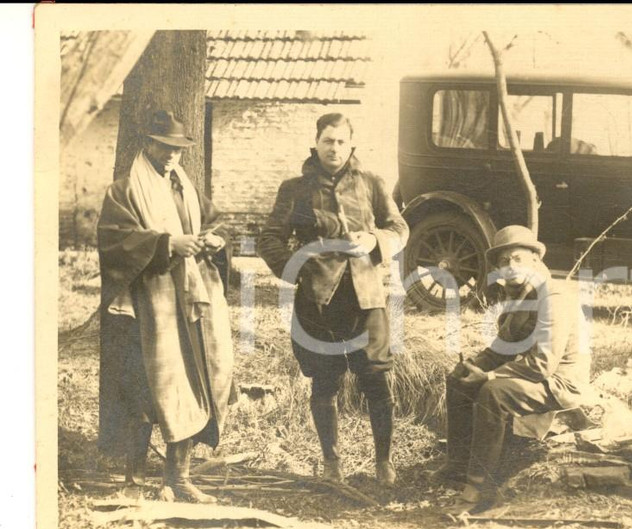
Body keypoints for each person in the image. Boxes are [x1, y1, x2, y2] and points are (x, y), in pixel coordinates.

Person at [258, 113, 409, 487]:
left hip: (366, 296)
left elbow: (399, 227)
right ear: (317, 142)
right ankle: (331, 463)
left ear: (351, 145)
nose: (334, 148)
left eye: (341, 141)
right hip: (318, 300)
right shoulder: (295, 189)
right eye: (328, 141)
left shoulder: (372, 183)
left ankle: (384, 463)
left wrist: (375, 241)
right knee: (324, 382)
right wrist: (298, 269)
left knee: (376, 379)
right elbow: (269, 238)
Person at [97, 110, 234, 503]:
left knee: (193, 379)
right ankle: (133, 480)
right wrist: (167, 245)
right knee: (145, 385)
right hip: (146, 304)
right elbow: (114, 241)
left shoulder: (184, 188)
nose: (173, 155)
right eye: (166, 146)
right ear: (148, 143)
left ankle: (179, 477)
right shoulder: (124, 190)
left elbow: (214, 222)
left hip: (187, 300)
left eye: (179, 148)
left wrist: (214, 240)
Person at [435, 225, 591, 513]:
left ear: (535, 259)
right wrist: (473, 366)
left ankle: (478, 487)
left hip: (560, 384)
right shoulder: (520, 295)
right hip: (532, 376)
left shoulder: (553, 297)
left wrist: (491, 375)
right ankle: (456, 466)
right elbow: (501, 348)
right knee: (459, 381)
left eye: (518, 258)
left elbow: (543, 364)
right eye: (504, 262)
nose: (510, 267)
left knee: (494, 392)